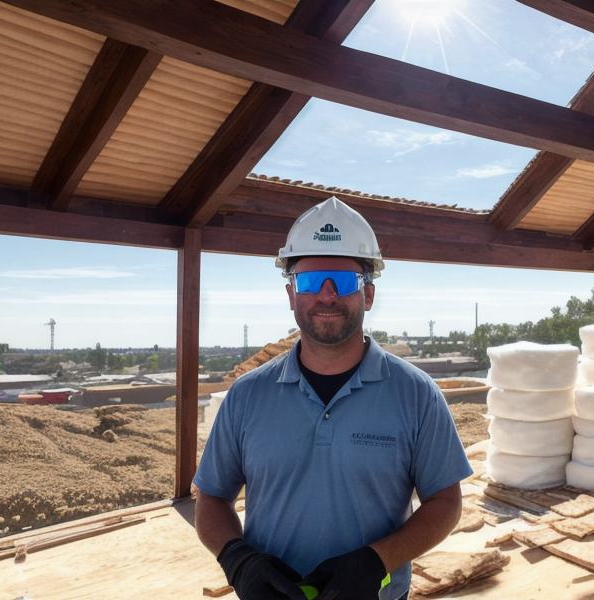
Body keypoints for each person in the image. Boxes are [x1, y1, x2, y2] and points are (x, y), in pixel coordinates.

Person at [193, 197, 472, 600]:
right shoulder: (246, 396)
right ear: (291, 294)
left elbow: (445, 502)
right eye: (310, 282)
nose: (326, 296)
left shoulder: (416, 394)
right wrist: (237, 559)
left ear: (368, 294)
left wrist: (377, 560)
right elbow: (213, 497)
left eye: (343, 282)